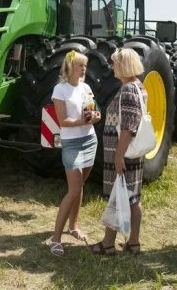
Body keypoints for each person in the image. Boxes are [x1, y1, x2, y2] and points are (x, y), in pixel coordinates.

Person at [90, 47, 146, 256]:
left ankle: (107, 244)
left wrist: (118, 155)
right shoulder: (138, 86)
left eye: (114, 63)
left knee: (117, 196)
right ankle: (133, 242)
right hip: (131, 152)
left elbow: (128, 127)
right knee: (132, 196)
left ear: (122, 65)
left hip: (123, 152)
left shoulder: (129, 89)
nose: (112, 67)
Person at [48, 50, 101, 257]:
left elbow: (94, 111)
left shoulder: (86, 87)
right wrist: (82, 121)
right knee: (73, 190)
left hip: (90, 140)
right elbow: (62, 121)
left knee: (80, 187)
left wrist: (95, 116)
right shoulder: (60, 90)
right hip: (72, 143)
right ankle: (55, 239)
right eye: (80, 65)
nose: (84, 69)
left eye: (85, 66)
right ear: (70, 67)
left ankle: (74, 227)